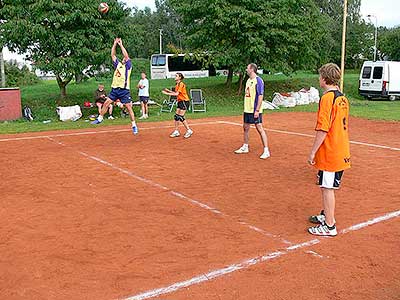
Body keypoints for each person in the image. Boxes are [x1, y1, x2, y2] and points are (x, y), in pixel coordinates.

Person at [307, 63, 351, 237]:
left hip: (331, 152)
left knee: (327, 188)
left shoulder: (327, 98)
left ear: (324, 79)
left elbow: (323, 129)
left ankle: (330, 226)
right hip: (341, 149)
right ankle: (326, 215)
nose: (319, 79)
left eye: (320, 76)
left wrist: (312, 152)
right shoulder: (342, 97)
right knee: (326, 185)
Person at [91, 38, 138, 135]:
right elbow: (112, 55)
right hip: (115, 89)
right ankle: (100, 119)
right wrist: (114, 44)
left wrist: (121, 45)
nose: (124, 58)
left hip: (124, 90)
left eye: (125, 58)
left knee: (129, 108)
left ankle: (134, 125)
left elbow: (126, 56)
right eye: (124, 58)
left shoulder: (128, 66)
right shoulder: (118, 65)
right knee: (106, 103)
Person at [234, 63, 270, 159]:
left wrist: (257, 110)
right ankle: (245, 146)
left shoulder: (258, 81)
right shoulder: (248, 80)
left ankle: (266, 150)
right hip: (247, 109)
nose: (246, 69)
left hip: (255, 110)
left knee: (259, 128)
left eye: (247, 68)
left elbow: (260, 96)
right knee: (245, 127)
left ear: (252, 69)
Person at [162, 73, 193, 138]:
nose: (175, 77)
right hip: (180, 101)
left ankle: (189, 130)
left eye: (176, 76)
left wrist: (167, 93)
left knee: (181, 117)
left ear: (180, 78)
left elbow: (176, 94)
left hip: (184, 101)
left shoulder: (181, 84)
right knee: (176, 117)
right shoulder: (177, 85)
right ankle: (176, 131)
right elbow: (176, 93)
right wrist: (169, 91)